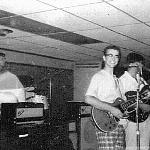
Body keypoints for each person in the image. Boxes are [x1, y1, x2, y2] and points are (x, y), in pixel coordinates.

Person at [85, 45, 126, 150]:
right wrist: (111, 109)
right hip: (105, 123)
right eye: (110, 55)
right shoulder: (99, 76)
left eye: (117, 56)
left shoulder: (117, 79)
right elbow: (88, 98)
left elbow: (119, 103)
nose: (113, 59)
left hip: (118, 124)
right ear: (104, 58)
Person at [119, 52, 150, 150]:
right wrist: (139, 105)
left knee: (145, 146)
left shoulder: (142, 81)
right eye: (140, 64)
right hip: (132, 120)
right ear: (135, 64)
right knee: (132, 146)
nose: (141, 67)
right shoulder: (122, 81)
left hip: (145, 118)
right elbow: (120, 103)